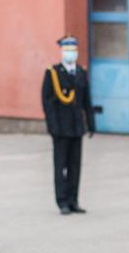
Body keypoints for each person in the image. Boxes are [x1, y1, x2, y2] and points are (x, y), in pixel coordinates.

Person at [40, 35, 95, 215]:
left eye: (73, 50)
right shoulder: (53, 73)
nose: (71, 53)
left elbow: (86, 100)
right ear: (62, 52)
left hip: (76, 127)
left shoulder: (81, 72)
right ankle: (62, 201)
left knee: (75, 166)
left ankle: (74, 200)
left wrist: (91, 123)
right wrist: (52, 126)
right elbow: (47, 102)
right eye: (68, 50)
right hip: (60, 129)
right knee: (60, 166)